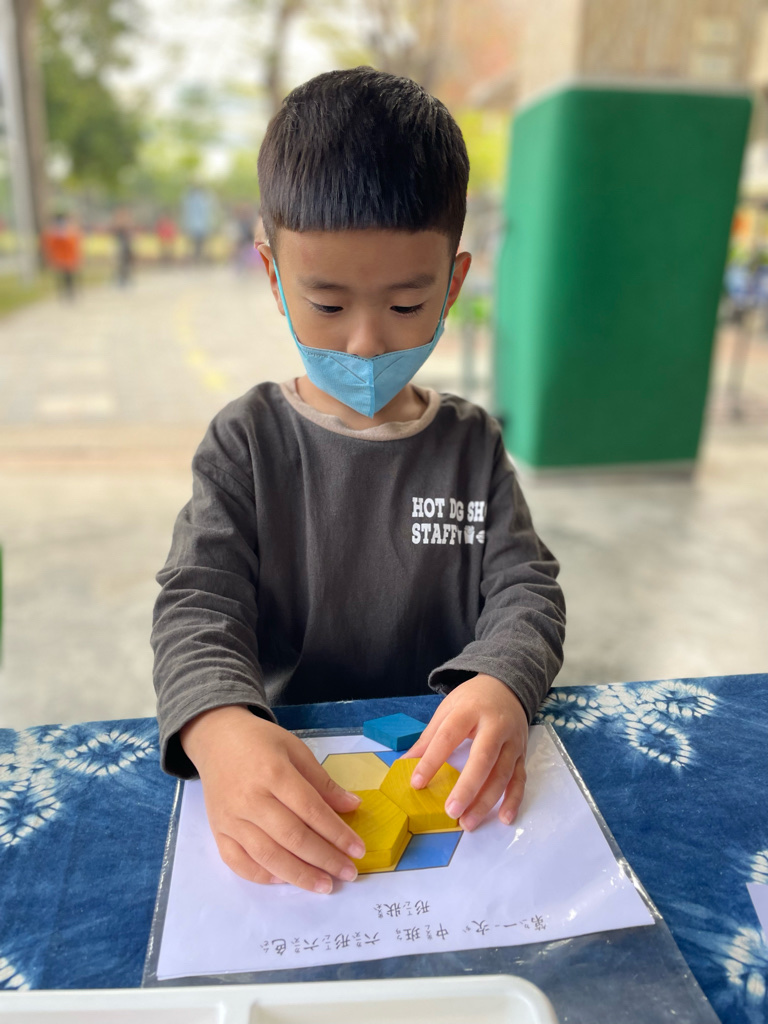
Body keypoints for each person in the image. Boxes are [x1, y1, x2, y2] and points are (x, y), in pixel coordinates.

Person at [152, 67, 566, 897]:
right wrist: (219, 728)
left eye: (407, 306)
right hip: (294, 772)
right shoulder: (247, 443)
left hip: (442, 774)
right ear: (274, 276)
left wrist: (503, 678)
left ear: (453, 285)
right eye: (330, 305)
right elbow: (197, 605)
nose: (368, 343)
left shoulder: (471, 445)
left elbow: (526, 588)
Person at [40, 212, 82, 300]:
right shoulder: (53, 233)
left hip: (69, 258)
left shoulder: (70, 231)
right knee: (61, 277)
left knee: (69, 277)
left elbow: (75, 244)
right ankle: (64, 293)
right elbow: (49, 245)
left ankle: (70, 292)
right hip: (60, 258)